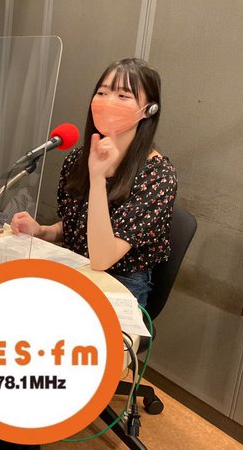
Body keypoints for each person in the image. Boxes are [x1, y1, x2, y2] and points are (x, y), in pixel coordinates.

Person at [11, 58, 177, 307]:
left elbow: (102, 258)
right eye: (102, 93)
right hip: (76, 267)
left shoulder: (158, 176)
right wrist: (43, 231)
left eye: (123, 96)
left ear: (148, 110)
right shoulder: (78, 158)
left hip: (120, 283)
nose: (108, 101)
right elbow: (77, 226)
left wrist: (98, 179)